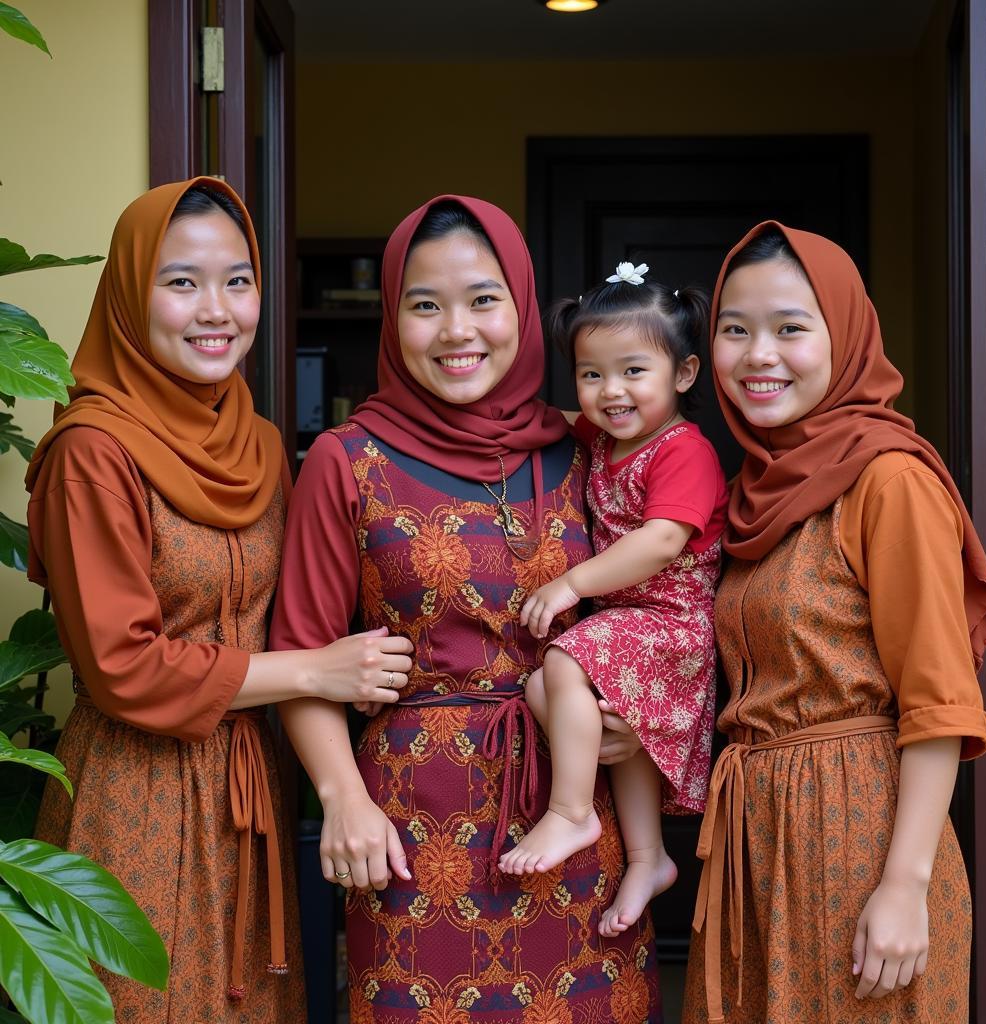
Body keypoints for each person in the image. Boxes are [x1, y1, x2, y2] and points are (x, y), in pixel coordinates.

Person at [25, 177, 413, 1021]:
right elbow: (124, 666)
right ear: (131, 295)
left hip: (251, 795)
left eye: (238, 281)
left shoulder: (261, 442)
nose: (217, 309)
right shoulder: (92, 452)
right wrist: (315, 670)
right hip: (136, 794)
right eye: (182, 281)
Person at [270, 196, 664, 1022]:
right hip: (413, 830)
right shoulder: (343, 463)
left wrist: (641, 713)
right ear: (393, 316)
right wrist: (342, 796)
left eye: (483, 300)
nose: (457, 330)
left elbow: (668, 595)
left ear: (520, 306)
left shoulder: (588, 443)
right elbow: (300, 652)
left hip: (574, 817)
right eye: (425, 305)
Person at [680, 222, 986, 1024]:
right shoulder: (749, 491)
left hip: (858, 842)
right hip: (756, 844)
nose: (760, 354)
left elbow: (939, 702)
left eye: (791, 327)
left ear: (846, 334)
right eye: (734, 329)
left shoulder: (887, 480)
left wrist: (903, 885)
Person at [497, 263, 728, 941]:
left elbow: (660, 542)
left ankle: (571, 810)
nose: (610, 391)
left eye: (633, 372)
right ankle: (649, 857)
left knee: (564, 663)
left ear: (684, 376)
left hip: (673, 623)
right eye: (592, 374)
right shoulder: (605, 439)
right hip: (631, 625)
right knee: (551, 691)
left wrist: (571, 585)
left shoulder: (684, 450)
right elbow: (554, 419)